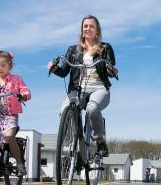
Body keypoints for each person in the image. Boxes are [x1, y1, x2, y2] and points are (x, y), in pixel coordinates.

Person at [47, 15, 118, 157]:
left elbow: (110, 68)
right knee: (64, 110)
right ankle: (72, 141)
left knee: (92, 109)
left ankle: (100, 141)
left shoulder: (105, 48)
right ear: (82, 30)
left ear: (97, 30)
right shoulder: (73, 50)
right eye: (85, 26)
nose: (88, 29)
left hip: (98, 88)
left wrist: (112, 70)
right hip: (77, 90)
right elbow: (64, 72)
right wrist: (54, 68)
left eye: (91, 26)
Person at [0, 50, 31, 176]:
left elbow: (25, 91)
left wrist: (24, 95)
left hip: (10, 115)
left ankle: (20, 164)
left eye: (3, 65)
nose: (0, 68)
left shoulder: (16, 79)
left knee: (9, 138)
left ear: (10, 66)